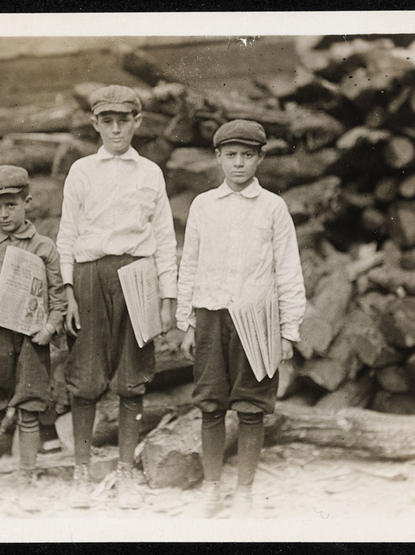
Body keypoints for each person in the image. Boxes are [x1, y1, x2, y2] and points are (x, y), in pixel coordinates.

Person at [56, 85, 178, 510]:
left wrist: (168, 296)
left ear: (137, 123)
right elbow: (67, 234)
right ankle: (81, 470)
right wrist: (67, 290)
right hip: (90, 276)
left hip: (137, 276)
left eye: (123, 120)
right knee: (86, 378)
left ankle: (126, 471)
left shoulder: (150, 173)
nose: (115, 128)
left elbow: (163, 236)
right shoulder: (82, 171)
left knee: (132, 378)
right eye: (106, 120)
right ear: (95, 124)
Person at [176, 120, 306, 518]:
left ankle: (245, 492)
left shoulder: (272, 207)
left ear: (260, 158)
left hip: (258, 318)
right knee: (212, 404)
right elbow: (190, 263)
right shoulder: (203, 205)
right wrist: (186, 320)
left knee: (251, 406)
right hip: (212, 316)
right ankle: (212, 489)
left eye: (247, 156)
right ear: (217, 157)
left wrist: (287, 330)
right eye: (230, 155)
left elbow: (287, 269)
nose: (238, 164)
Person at [0, 165, 67, 484]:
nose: (4, 214)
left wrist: (49, 328)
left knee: (29, 408)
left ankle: (26, 475)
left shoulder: (44, 247)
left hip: (32, 341)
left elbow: (58, 294)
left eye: (11, 205)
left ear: (27, 202)